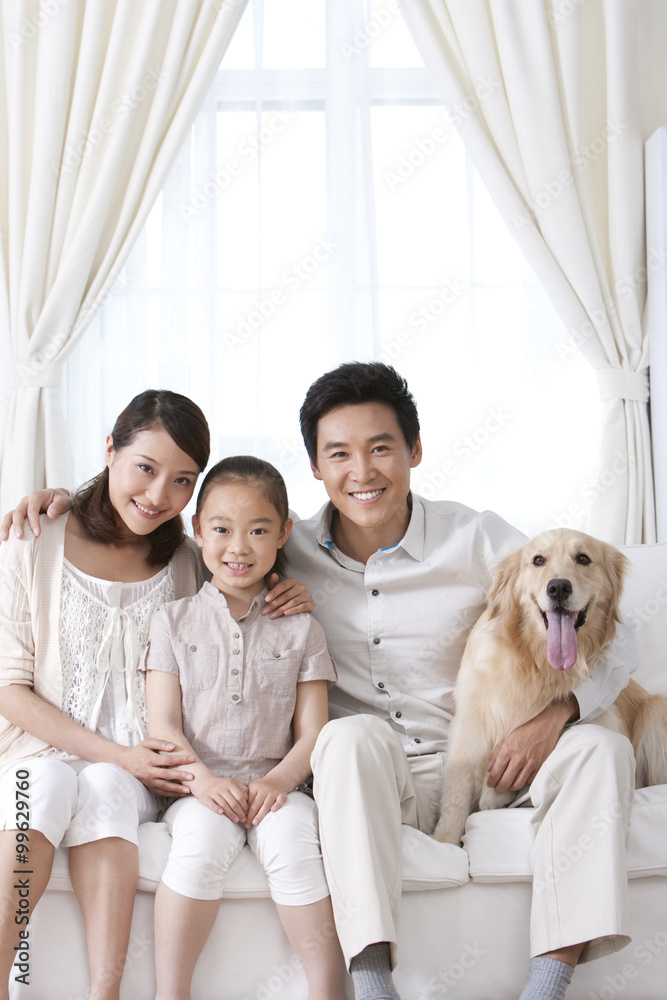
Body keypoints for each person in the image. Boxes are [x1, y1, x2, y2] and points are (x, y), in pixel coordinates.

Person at [2, 364, 638, 1000]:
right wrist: (62, 500)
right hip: (369, 770)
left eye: (381, 448)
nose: (361, 472)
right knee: (348, 736)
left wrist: (557, 715)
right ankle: (371, 985)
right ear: (315, 467)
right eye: (339, 454)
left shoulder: (480, 540)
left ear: (415, 451)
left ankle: (548, 984)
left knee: (602, 748)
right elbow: (206, 541)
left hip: (480, 758)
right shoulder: (280, 546)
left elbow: (617, 633)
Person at [0, 392, 310, 1000]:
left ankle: (106, 992)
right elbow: (8, 689)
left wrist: (289, 593)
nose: (158, 495)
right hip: (40, 757)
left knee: (108, 785)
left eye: (182, 481)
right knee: (53, 781)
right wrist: (116, 755)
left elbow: (255, 565)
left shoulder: (193, 564)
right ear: (110, 450)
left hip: (147, 775)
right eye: (144, 467)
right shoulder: (32, 544)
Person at [144, 456, 346, 1000]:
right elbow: (163, 724)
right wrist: (204, 783)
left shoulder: (302, 628)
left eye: (258, 530)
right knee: (201, 844)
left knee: (295, 842)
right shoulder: (172, 621)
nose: (239, 547)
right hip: (197, 788)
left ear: (283, 533)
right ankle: (172, 993)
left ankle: (330, 991)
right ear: (197, 531)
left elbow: (313, 734)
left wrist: (278, 784)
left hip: (278, 787)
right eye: (222, 530)